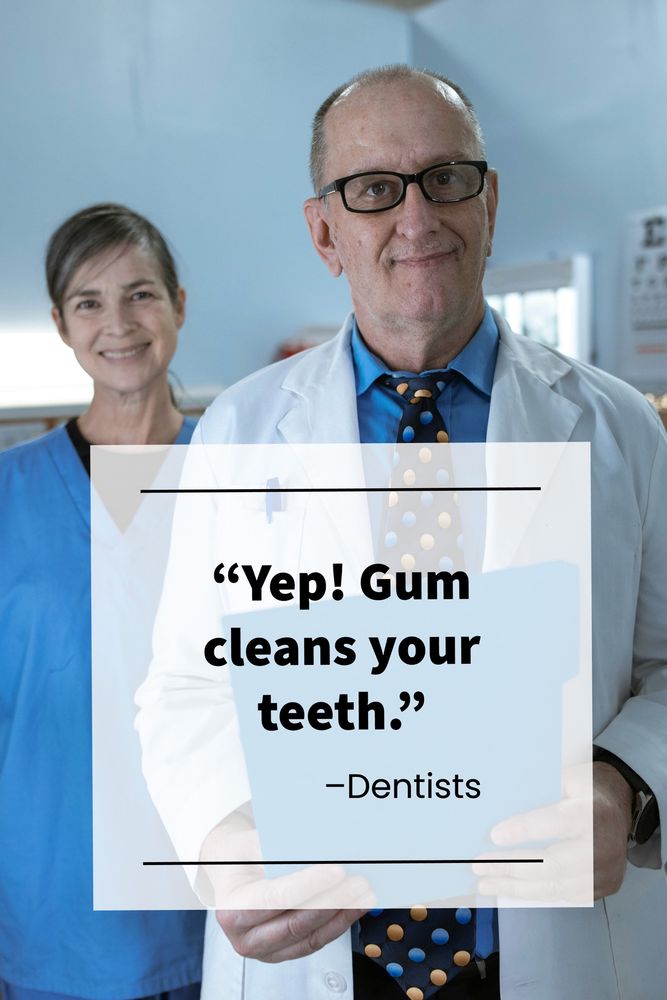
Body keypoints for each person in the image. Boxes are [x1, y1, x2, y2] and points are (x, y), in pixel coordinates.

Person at [137, 67, 667, 999]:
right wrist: (222, 839)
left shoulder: (621, 427)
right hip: (317, 945)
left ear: (488, 203)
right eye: (374, 189)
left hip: (552, 945)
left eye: (445, 178)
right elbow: (186, 682)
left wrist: (624, 784)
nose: (416, 218)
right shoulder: (238, 431)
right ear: (324, 233)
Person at [0, 204, 205, 1000]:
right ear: (61, 323)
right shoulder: (10, 493)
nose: (118, 324)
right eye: (89, 301)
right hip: (54, 906)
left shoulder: (241, 476)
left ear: (178, 304)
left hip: (212, 901)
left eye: (140, 294)